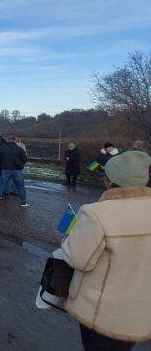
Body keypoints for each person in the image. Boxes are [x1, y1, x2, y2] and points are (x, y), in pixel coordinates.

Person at [60, 150, 151, 350]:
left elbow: (78, 259)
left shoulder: (97, 213)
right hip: (141, 311)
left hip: (102, 311)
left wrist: (69, 233)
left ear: (110, 181)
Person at [0, 135, 29, 207]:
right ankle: (23, 202)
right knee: (21, 186)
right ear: (15, 140)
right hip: (17, 169)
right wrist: (20, 165)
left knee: (2, 184)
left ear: (8, 140)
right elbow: (24, 159)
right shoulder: (19, 149)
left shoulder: (2, 148)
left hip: (6, 169)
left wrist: (1, 164)